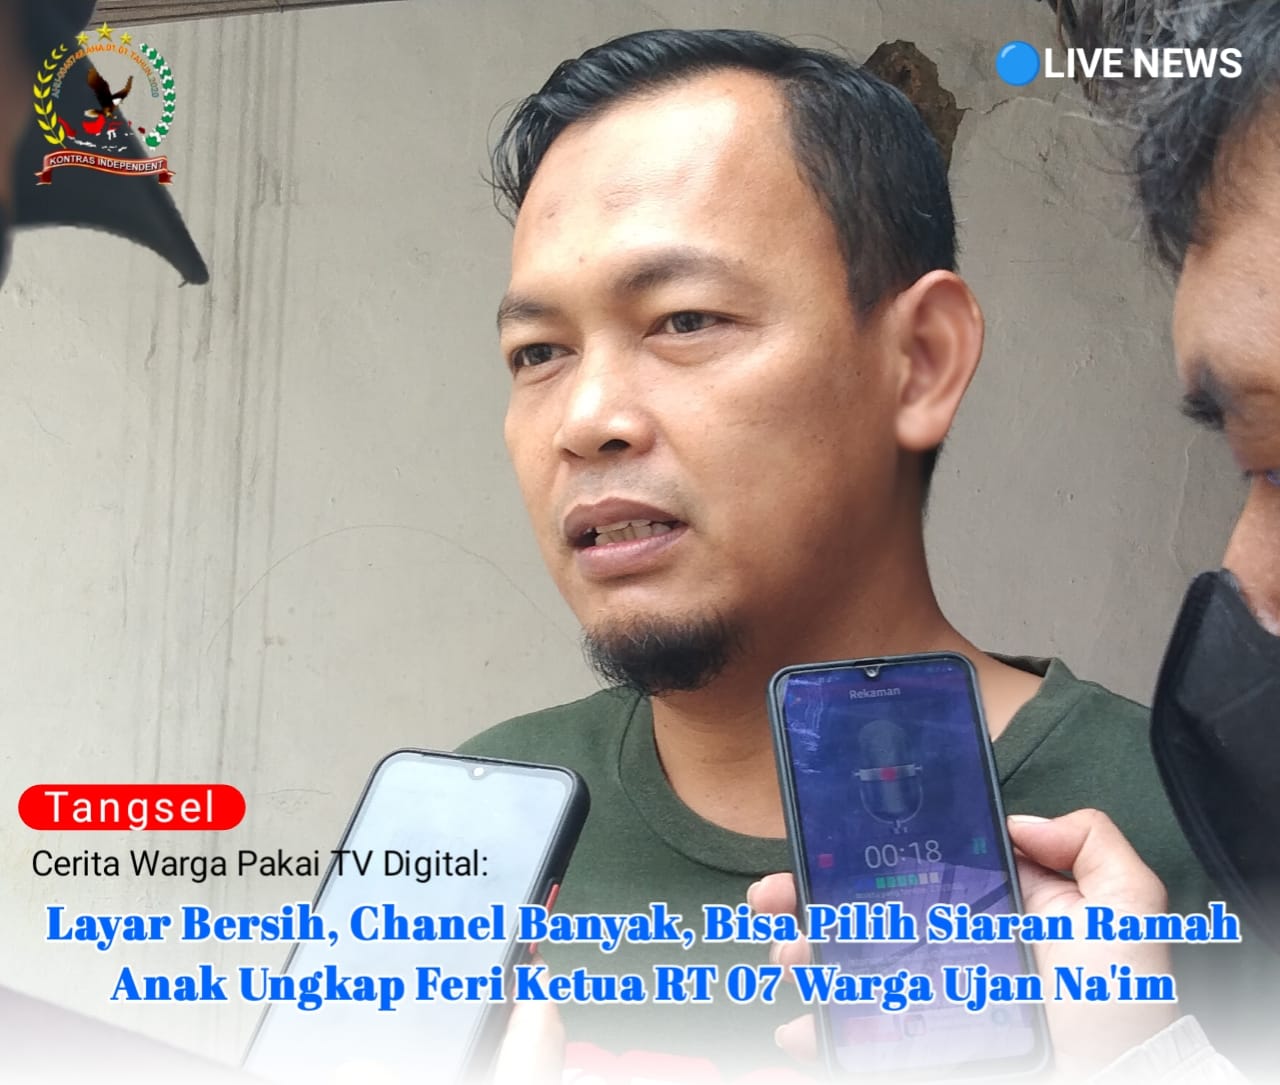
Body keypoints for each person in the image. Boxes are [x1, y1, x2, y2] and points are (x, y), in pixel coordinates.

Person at [459, 26, 1247, 1081]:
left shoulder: (1200, 834)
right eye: (539, 351)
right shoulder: (476, 819)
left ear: (920, 360)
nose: (585, 418)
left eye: (684, 318)